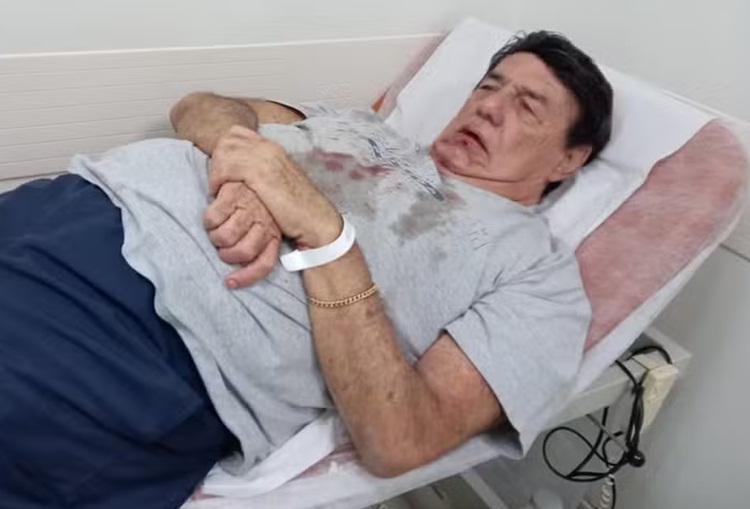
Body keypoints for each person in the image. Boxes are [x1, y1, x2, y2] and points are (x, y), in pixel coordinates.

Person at [0, 31, 613, 508]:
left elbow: (401, 438)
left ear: (569, 158)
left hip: (141, 336)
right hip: (61, 209)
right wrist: (244, 167)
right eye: (489, 87)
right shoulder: (362, 126)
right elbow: (201, 105)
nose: (489, 108)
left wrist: (324, 234)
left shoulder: (538, 276)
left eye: (527, 106)